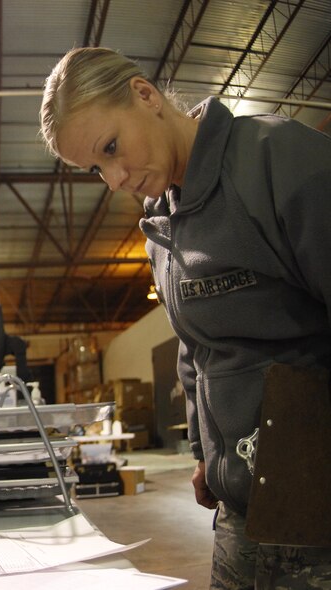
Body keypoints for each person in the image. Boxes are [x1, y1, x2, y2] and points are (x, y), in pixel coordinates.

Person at [41, 46, 331, 589]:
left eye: (111, 147)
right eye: (96, 168)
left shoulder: (276, 160)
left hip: (316, 517)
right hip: (241, 515)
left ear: (145, 95)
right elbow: (197, 348)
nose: (116, 178)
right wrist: (206, 454)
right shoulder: (162, 226)